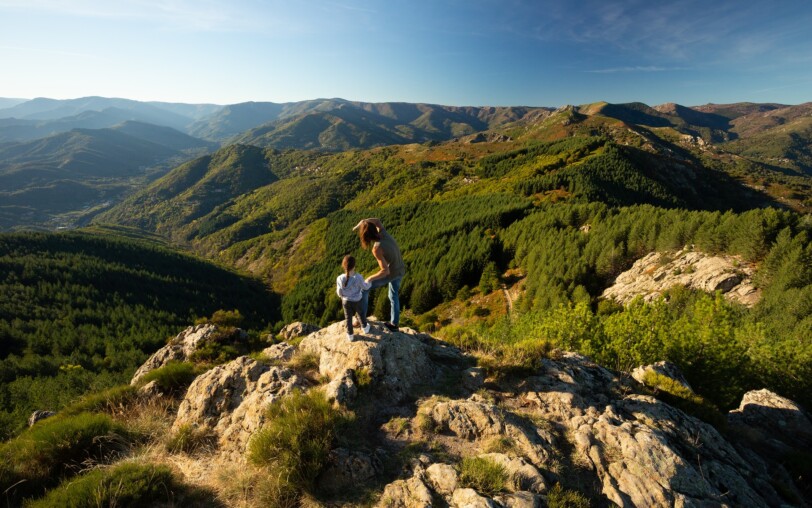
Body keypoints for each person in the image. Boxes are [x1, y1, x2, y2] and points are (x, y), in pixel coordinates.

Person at [353, 218, 405, 331]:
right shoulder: (383, 233)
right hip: (400, 269)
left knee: (364, 289)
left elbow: (385, 271)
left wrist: (369, 278)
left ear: (366, 236)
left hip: (391, 272)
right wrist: (364, 221)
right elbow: (376, 221)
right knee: (394, 296)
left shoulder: (377, 248)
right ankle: (394, 324)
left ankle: (360, 320)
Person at [336, 254, 371, 341]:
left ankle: (350, 335)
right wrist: (369, 282)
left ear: (343, 265)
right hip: (357, 300)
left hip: (346, 301)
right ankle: (365, 327)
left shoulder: (340, 278)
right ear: (354, 266)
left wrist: (342, 297)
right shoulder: (358, 277)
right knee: (360, 314)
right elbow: (365, 287)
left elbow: (339, 292)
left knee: (348, 317)